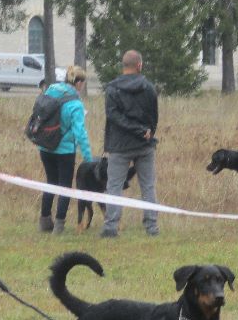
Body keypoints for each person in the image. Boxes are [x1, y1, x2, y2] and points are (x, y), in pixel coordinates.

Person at [100, 50, 159, 238]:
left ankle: (111, 227)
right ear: (139, 65)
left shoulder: (112, 89)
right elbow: (154, 116)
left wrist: (136, 129)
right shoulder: (149, 87)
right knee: (148, 186)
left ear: (123, 66)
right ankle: (152, 227)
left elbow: (113, 116)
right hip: (144, 143)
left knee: (114, 186)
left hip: (119, 145)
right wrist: (146, 131)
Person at [38, 65, 92, 234]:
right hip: (65, 151)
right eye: (83, 83)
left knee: (51, 183)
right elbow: (80, 133)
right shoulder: (75, 103)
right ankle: (59, 226)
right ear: (79, 82)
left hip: (45, 147)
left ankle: (45, 221)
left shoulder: (51, 90)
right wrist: (88, 157)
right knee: (64, 187)